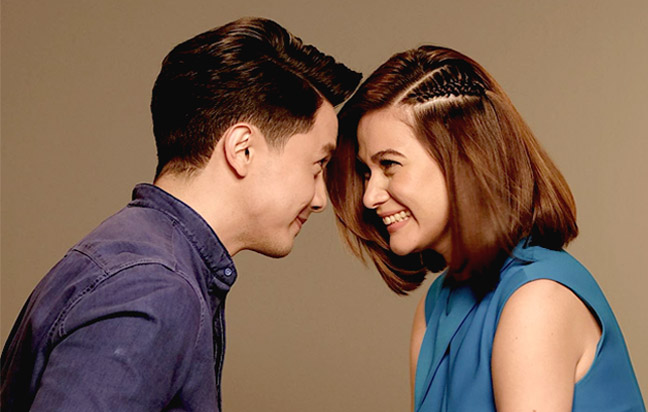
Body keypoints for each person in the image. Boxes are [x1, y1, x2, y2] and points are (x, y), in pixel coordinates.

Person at [1, 17, 361, 411]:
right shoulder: (155, 289)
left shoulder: (135, 256)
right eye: (318, 165)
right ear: (243, 150)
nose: (320, 199)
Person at [325, 45, 645, 411]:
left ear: (462, 157)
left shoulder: (537, 298)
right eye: (366, 171)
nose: (369, 197)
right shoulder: (435, 305)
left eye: (389, 165)